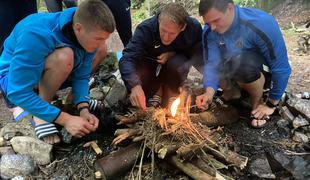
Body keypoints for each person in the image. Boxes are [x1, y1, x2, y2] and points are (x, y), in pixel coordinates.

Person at [0, 0, 116, 144]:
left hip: (47, 71)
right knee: (64, 56)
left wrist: (83, 108)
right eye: (98, 38)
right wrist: (65, 119)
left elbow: (81, 76)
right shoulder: (36, 34)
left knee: (99, 49)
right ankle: (41, 115)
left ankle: (72, 101)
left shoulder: (84, 30)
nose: (101, 42)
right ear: (78, 28)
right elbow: (16, 91)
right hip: (14, 78)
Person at [196, 0, 291, 128]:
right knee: (211, 60)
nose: (212, 27)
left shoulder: (261, 23)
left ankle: (257, 103)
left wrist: (272, 103)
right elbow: (211, 64)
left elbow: (282, 68)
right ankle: (232, 93)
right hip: (236, 70)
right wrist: (209, 92)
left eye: (216, 20)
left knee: (241, 62)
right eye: (208, 23)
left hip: (259, 72)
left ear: (230, 8)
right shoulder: (210, 30)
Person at [119, 3, 203, 111]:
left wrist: (211, 86)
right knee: (140, 75)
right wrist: (135, 86)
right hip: (150, 65)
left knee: (178, 63)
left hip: (174, 65)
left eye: (172, 33)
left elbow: (197, 55)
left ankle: (172, 91)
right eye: (163, 30)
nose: (166, 37)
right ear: (159, 21)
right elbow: (127, 58)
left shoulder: (193, 28)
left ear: (182, 28)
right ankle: (156, 90)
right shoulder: (145, 29)